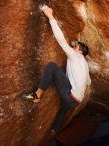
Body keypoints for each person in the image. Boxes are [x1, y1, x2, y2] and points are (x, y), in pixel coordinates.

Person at [21, 5, 91, 133]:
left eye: (76, 46)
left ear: (80, 52)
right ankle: (54, 130)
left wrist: (51, 16)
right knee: (63, 110)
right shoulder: (85, 65)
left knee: (52, 66)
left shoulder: (75, 56)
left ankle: (37, 95)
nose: (73, 47)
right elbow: (88, 82)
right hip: (75, 102)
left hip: (70, 95)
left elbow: (61, 41)